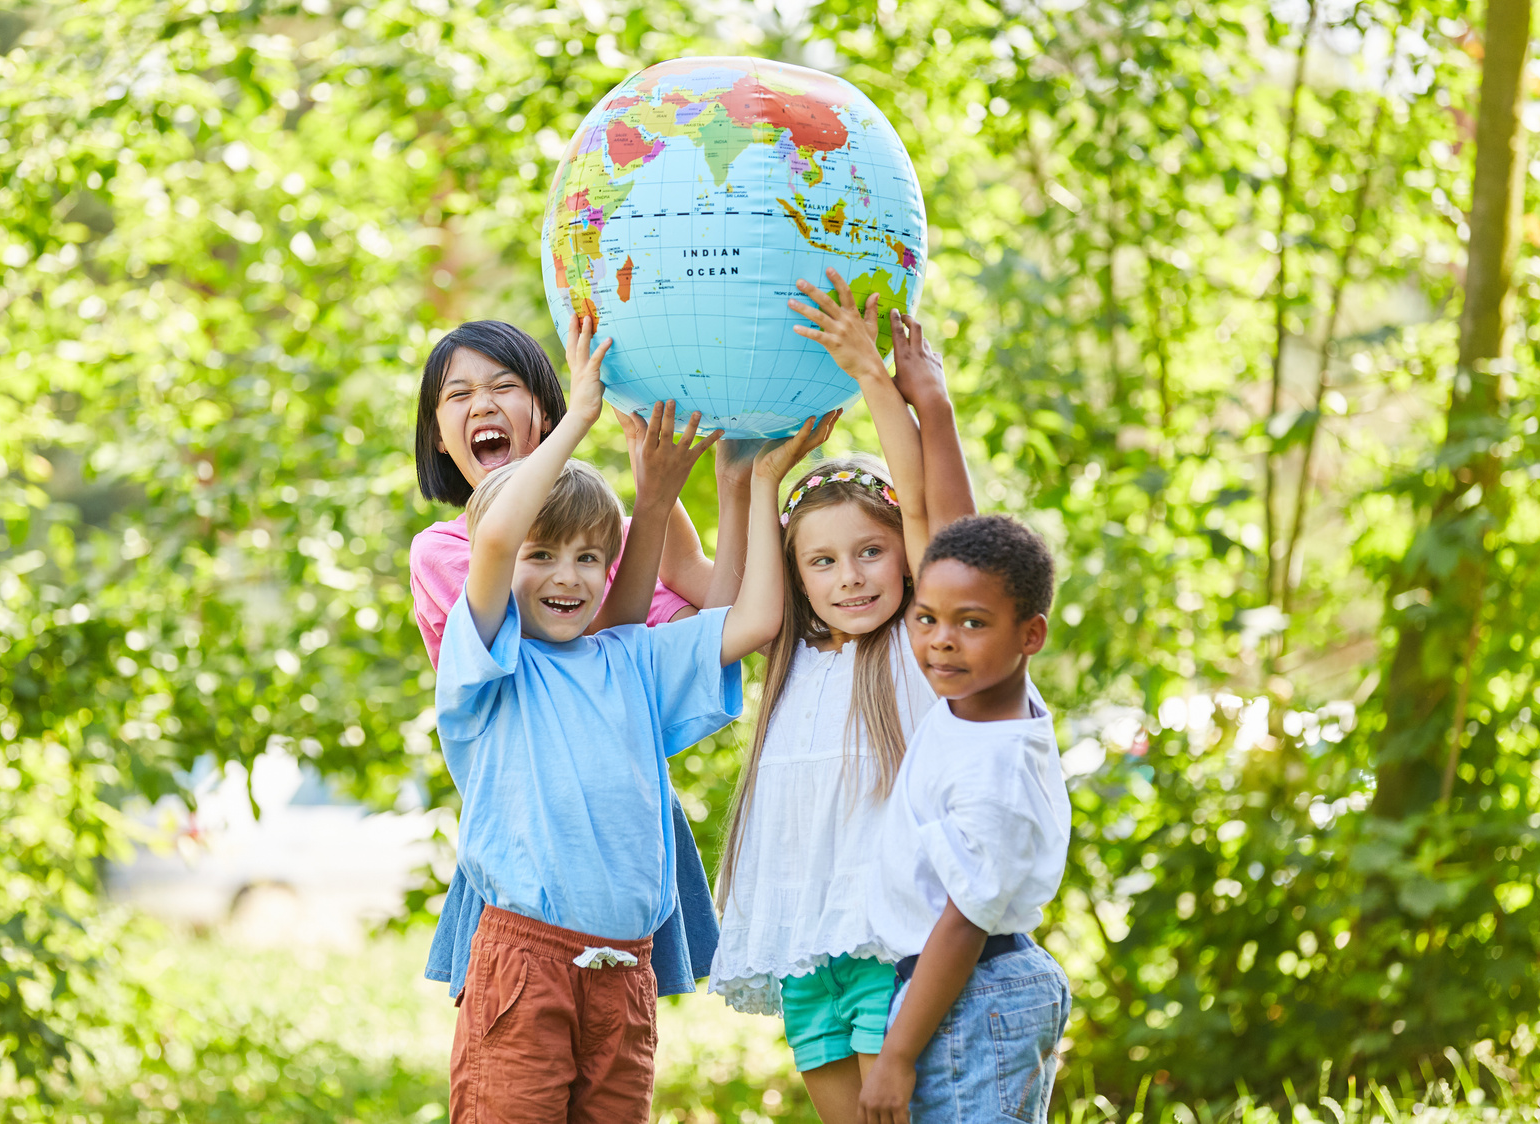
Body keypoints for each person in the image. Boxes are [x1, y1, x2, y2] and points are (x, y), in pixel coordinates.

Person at [439, 312, 835, 1121]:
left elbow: (752, 619)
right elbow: (494, 541)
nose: (569, 577)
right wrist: (579, 415)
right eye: (541, 556)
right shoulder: (488, 667)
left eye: (589, 558)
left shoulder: (630, 657)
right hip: (523, 963)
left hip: (625, 973)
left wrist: (758, 483)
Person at [707, 268, 994, 1124]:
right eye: (822, 562)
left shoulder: (918, 647)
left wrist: (875, 378)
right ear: (795, 574)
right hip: (807, 953)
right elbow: (729, 588)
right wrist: (755, 482)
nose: (850, 578)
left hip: (887, 944)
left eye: (869, 552)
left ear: (902, 558)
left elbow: (930, 515)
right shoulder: (788, 656)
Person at [409, 320, 752, 1000]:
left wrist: (725, 484)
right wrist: (627, 481)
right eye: (459, 394)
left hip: (625, 835)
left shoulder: (609, 532)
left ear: (543, 411)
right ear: (438, 437)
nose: (482, 404)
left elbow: (714, 620)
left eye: (504, 386)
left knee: (616, 1038)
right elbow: (583, 660)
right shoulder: (448, 550)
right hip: (531, 830)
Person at [858, 515, 1071, 1124]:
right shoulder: (977, 704)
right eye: (926, 618)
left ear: (1031, 635)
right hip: (965, 984)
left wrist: (896, 1057)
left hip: (974, 989)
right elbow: (949, 525)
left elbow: (963, 923)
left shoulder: (994, 769)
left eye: (972, 623)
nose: (942, 640)